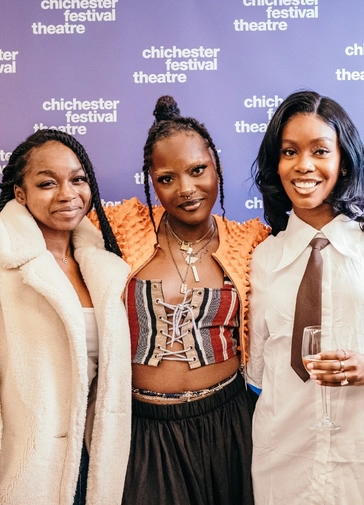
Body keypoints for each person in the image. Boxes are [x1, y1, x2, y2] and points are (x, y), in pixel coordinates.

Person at [92, 95, 268, 505]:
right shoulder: (119, 229)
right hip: (144, 429)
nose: (186, 189)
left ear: (216, 167)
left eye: (198, 171)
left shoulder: (250, 241)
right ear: (151, 181)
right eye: (167, 178)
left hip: (229, 421)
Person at [0, 129, 131, 505]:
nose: (67, 193)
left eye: (78, 179)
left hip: (93, 461)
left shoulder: (105, 266)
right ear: (20, 193)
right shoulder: (6, 265)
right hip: (26, 467)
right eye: (47, 183)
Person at [247, 90, 364, 504]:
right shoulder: (263, 257)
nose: (304, 165)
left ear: (343, 162)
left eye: (320, 151)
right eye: (289, 151)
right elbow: (258, 371)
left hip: (357, 453)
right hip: (283, 457)